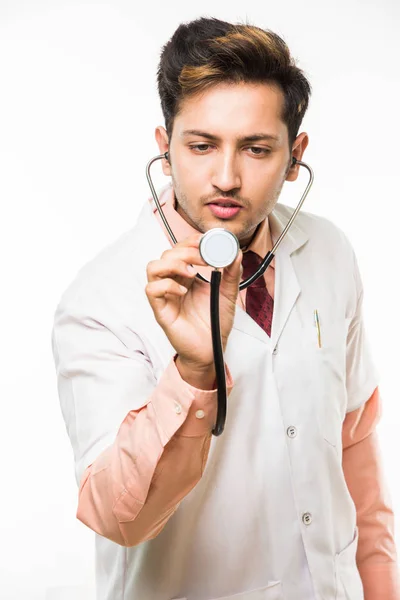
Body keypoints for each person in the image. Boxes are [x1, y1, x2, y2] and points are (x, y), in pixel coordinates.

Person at [51, 16, 399, 600]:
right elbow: (118, 518)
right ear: (165, 149)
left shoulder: (330, 251)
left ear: (295, 157)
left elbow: (353, 440)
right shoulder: (99, 300)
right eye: (202, 145)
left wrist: (383, 587)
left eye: (257, 149)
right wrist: (192, 375)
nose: (226, 178)